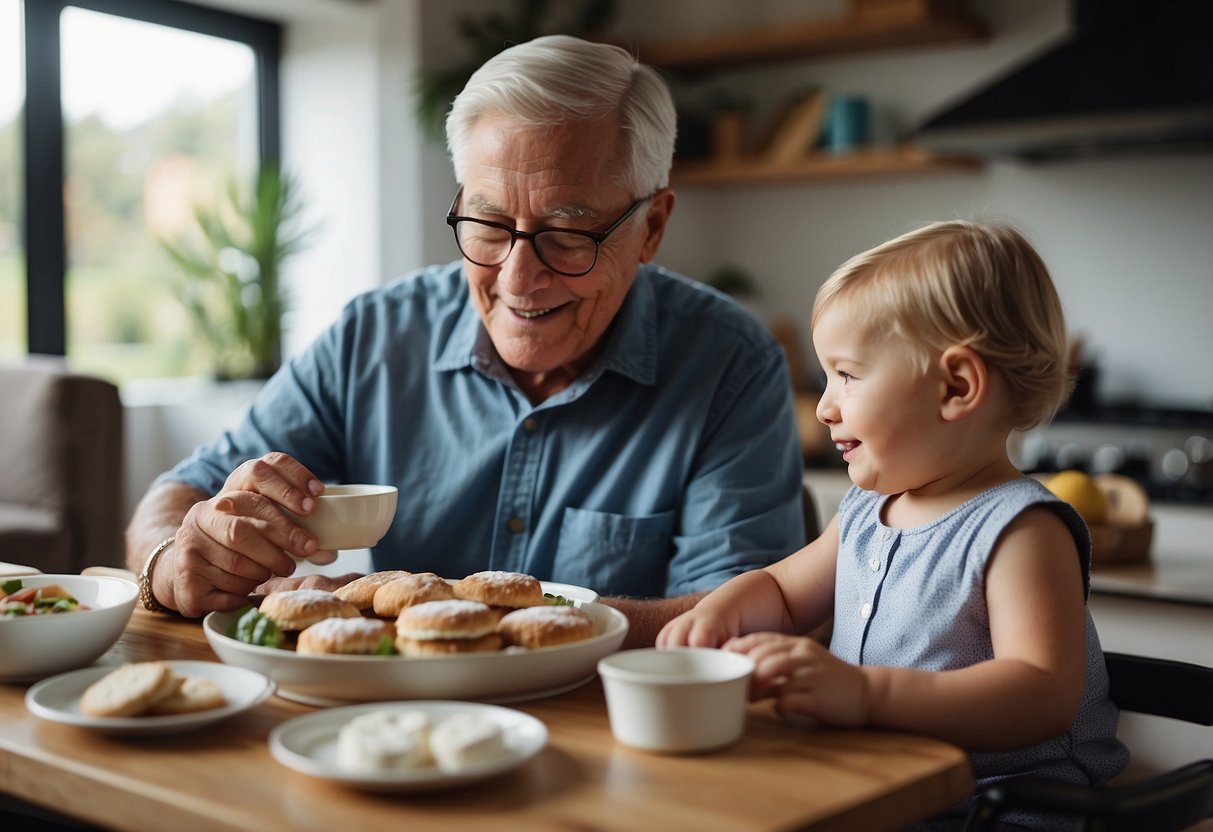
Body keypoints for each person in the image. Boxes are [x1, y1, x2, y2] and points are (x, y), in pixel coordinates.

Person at [124, 34, 805, 646]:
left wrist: (423, 614)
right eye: (486, 224)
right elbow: (178, 494)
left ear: (651, 227)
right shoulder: (376, 334)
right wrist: (172, 562)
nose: (517, 276)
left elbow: (736, 617)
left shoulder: (729, 361)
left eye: (567, 233)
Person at [658, 220, 1129, 829]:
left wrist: (867, 696)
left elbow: (1041, 694)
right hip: (888, 790)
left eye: (847, 375)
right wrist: (720, 612)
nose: (825, 405)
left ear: (956, 387)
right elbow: (781, 591)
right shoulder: (864, 513)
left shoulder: (1020, 531)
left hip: (1008, 809)